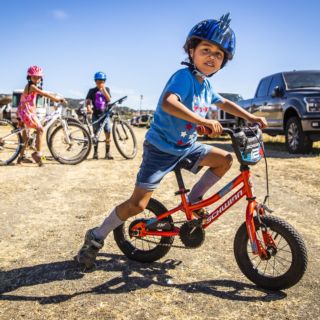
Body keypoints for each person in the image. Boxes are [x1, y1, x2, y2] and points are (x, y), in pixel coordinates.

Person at [76, 13, 268, 268]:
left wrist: (250, 117)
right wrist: (202, 122)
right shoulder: (184, 77)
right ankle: (96, 236)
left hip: (186, 146)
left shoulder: (205, 84)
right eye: (206, 50)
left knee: (224, 161)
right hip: (161, 149)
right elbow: (169, 102)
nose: (212, 57)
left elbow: (223, 102)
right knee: (138, 204)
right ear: (192, 50)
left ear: (223, 62)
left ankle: (196, 199)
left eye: (219, 55)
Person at [17, 66, 66, 166]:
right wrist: (56, 99)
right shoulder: (31, 86)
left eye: (39, 77)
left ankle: (20, 158)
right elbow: (43, 93)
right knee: (40, 129)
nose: (37, 79)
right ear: (29, 77)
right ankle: (37, 155)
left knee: (26, 138)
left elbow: (42, 92)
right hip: (27, 112)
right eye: (34, 77)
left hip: (23, 111)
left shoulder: (31, 86)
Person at [85, 72, 113, 159]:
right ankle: (95, 153)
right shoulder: (92, 91)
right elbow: (88, 101)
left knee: (108, 132)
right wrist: (89, 108)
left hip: (105, 114)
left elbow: (109, 99)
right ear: (95, 81)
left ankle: (107, 153)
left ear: (105, 81)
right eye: (98, 81)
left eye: (102, 81)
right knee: (95, 134)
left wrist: (103, 89)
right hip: (95, 115)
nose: (100, 82)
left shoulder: (107, 89)